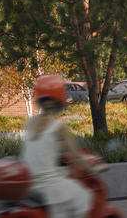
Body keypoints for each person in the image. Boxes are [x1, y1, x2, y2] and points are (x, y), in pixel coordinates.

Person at [21, 75, 103, 218]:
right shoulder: (58, 126)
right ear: (60, 99)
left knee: (65, 179)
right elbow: (76, 156)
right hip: (48, 185)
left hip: (29, 183)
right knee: (85, 197)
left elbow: (40, 151)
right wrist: (94, 168)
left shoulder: (31, 122)